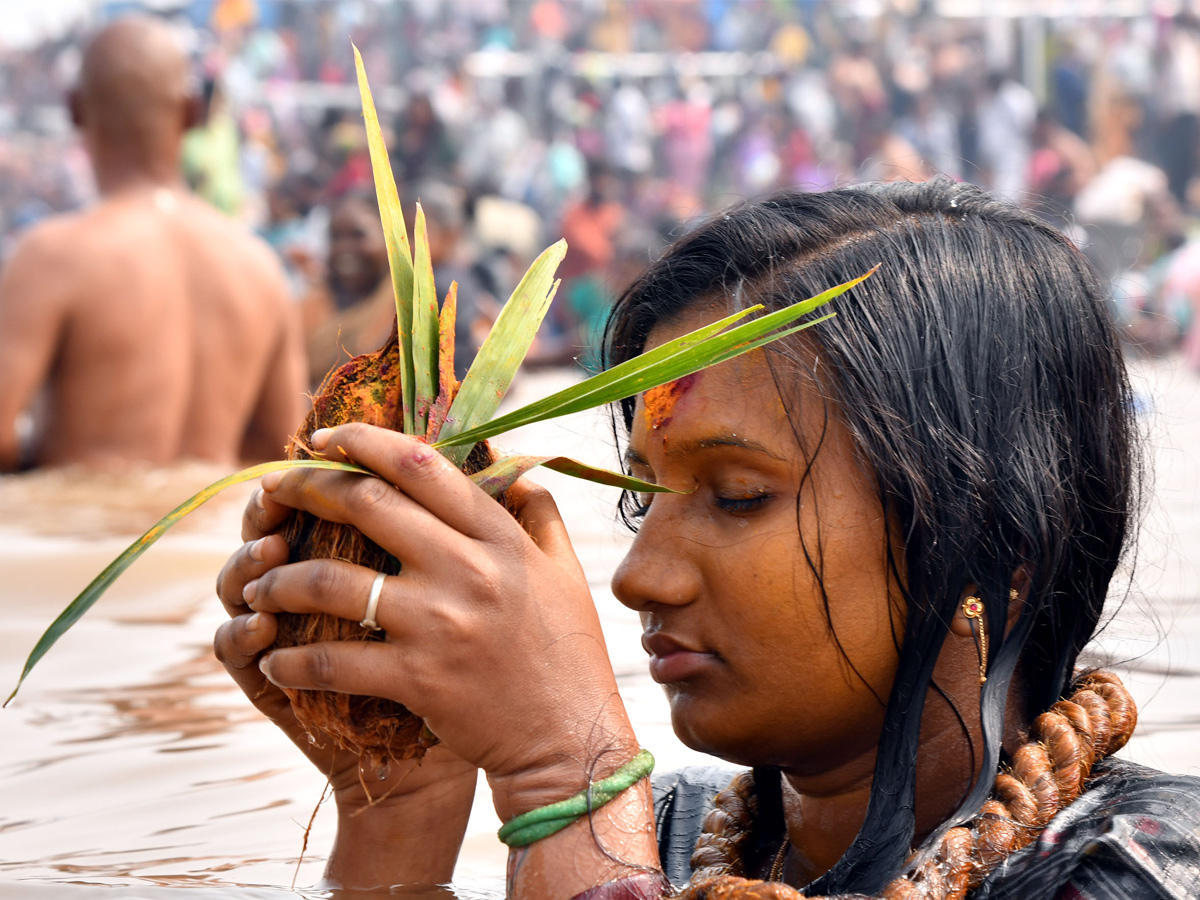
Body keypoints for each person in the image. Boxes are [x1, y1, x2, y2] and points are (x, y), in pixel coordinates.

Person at [213, 180, 1200, 899]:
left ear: (990, 543)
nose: (640, 577)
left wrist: (569, 779)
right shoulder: (675, 835)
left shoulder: (1141, 868)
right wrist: (399, 824)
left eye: (735, 495)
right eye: (643, 496)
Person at [0, 16, 304, 472]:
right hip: (213, 539)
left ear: (75, 109)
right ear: (192, 112)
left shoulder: (52, 258)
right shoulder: (259, 266)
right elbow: (282, 455)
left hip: (87, 537)